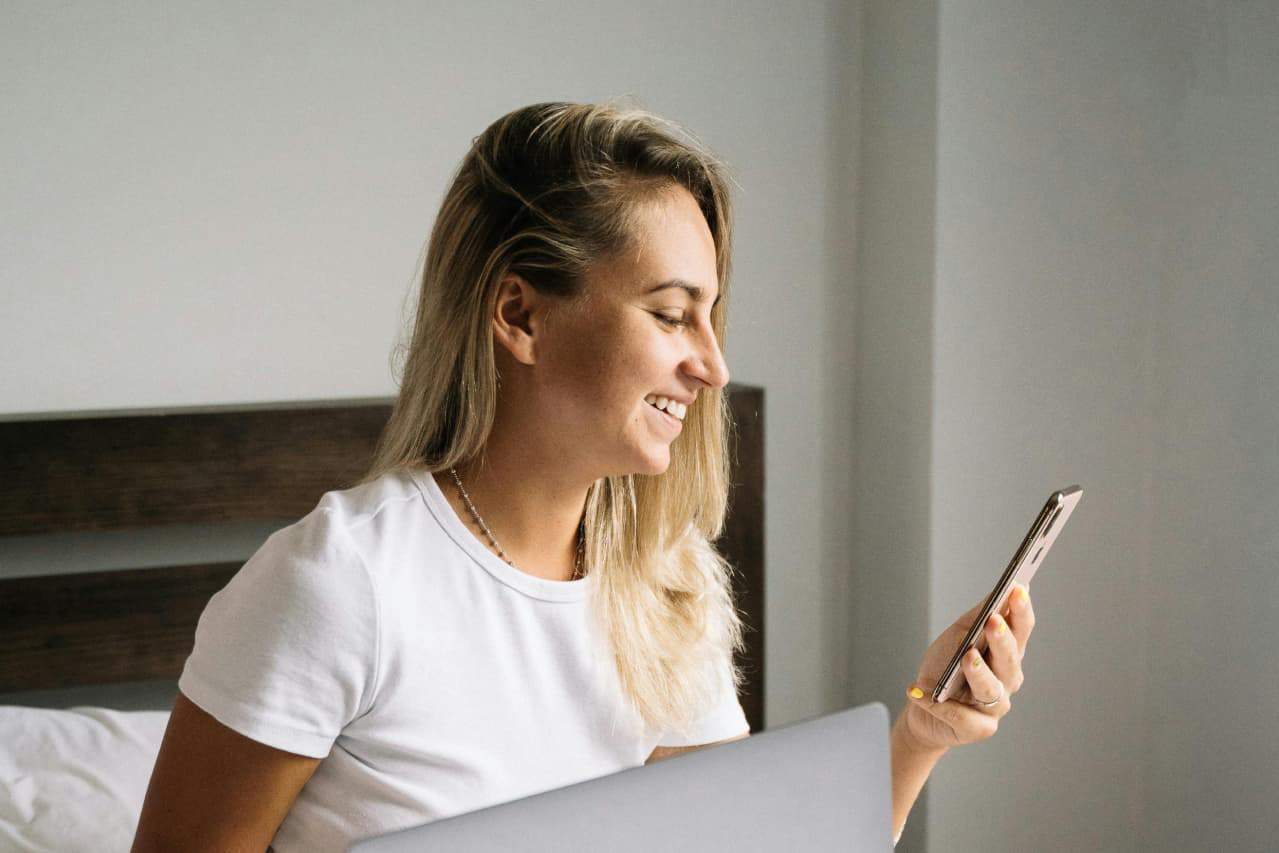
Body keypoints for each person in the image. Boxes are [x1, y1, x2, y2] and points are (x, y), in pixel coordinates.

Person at [131, 99, 1036, 852]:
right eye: (671, 314)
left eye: (711, 317)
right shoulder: (340, 584)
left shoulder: (665, 578)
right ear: (520, 313)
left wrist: (921, 737)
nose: (712, 365)